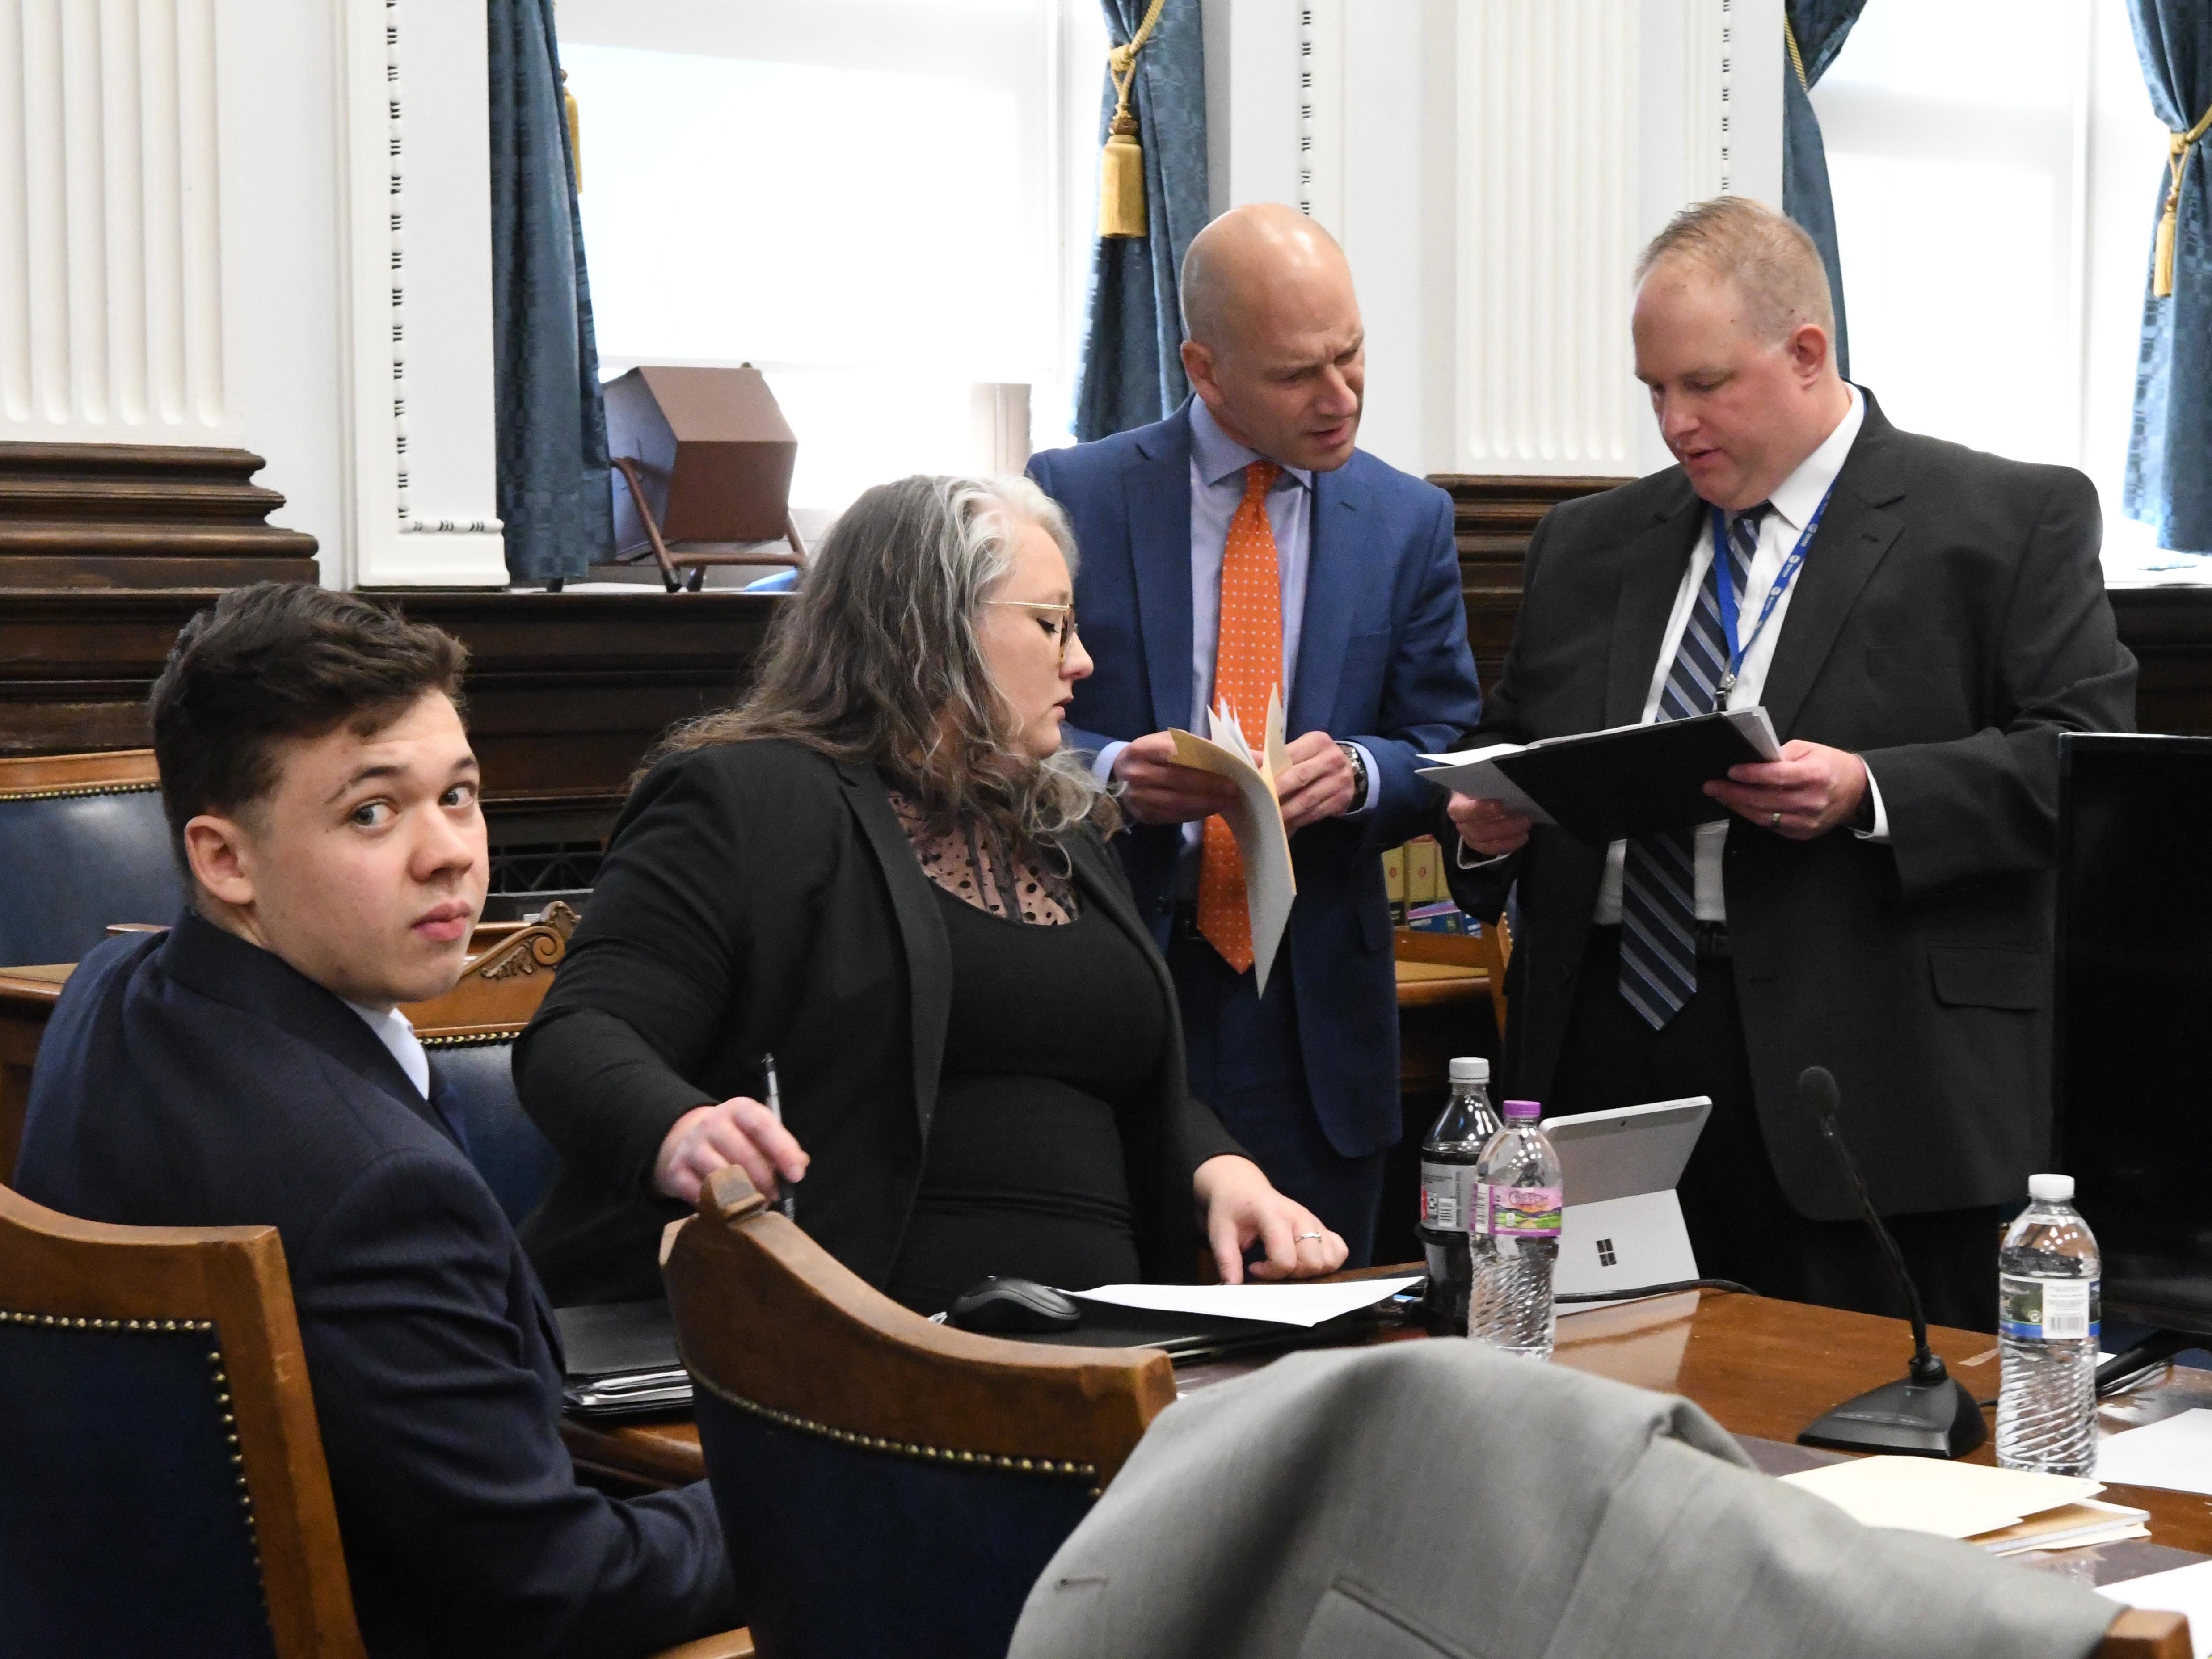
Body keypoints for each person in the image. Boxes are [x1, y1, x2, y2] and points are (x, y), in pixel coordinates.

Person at [1441, 197, 2136, 1329]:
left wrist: (1873, 792)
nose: (1674, 421)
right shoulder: (1590, 544)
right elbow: (1511, 752)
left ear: (1806, 353)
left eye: (1704, 384)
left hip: (1863, 1068)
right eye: (1654, 389)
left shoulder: (2005, 521)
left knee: (1854, 1442)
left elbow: (2081, 767)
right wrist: (1483, 829)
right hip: (1605, 1057)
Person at [13, 583, 736, 1658]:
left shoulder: (106, 994)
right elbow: (561, 1590)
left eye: (460, 794)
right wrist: (814, 1477)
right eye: (372, 811)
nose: (448, 851)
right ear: (225, 859)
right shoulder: (378, 1190)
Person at [515, 474, 1346, 1313]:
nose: (1081, 660)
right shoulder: (745, 800)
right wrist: (678, 1129)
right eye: (1050, 623)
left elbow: (1121, 1082)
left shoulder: (1060, 828)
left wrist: (1219, 1171)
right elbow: (581, 1036)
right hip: (852, 1343)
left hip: (1112, 1341)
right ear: (934, 628)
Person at [1027, 203, 1484, 1266]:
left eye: (1353, 354)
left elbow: (1447, 737)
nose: (1340, 397)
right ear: (1205, 367)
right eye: (1296, 375)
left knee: (1320, 1358)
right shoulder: (1072, 495)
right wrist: (1107, 775)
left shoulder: (1408, 519)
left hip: (1315, 1012)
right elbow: (991, 732)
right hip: (1125, 974)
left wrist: (1367, 774)